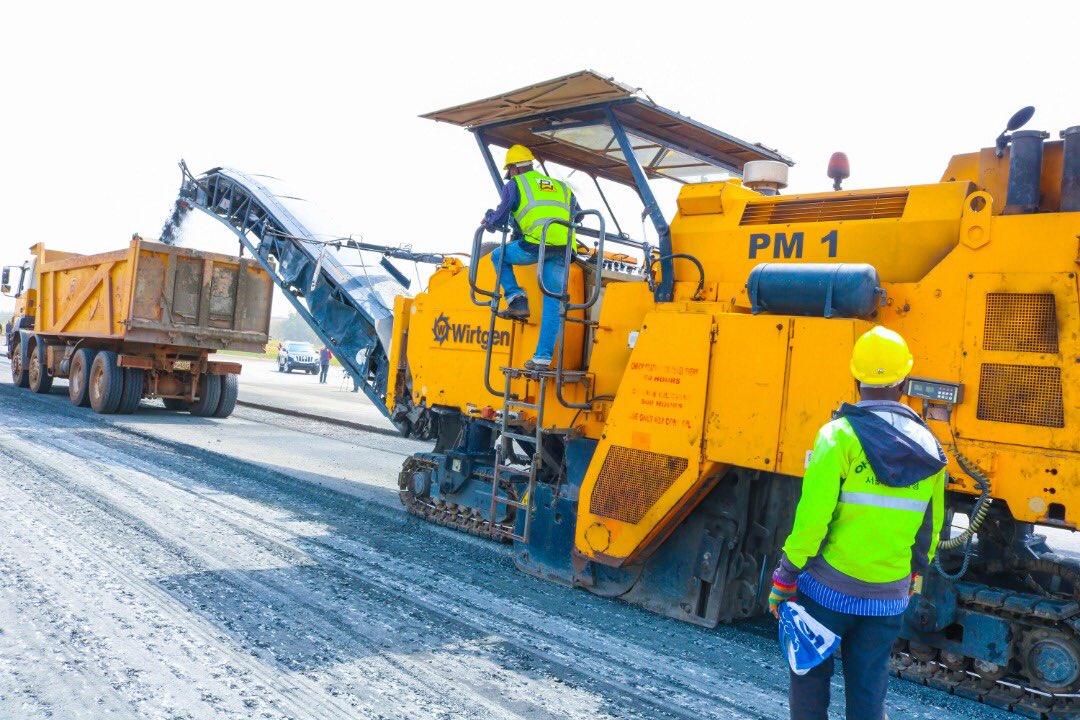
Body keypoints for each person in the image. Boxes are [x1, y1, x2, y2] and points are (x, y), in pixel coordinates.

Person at [769, 326, 947, 720]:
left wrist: (784, 578)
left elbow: (812, 521)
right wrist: (913, 578)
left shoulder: (837, 438)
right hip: (887, 597)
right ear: (904, 382)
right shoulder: (931, 448)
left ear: (855, 378)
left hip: (826, 591)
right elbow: (929, 530)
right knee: (868, 692)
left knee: (809, 679)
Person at [483, 144, 581, 372]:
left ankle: (517, 299)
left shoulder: (515, 184)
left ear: (514, 169)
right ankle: (541, 360)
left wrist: (488, 220)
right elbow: (577, 214)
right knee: (552, 302)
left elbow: (500, 216)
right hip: (564, 248)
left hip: (536, 244)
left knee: (498, 256)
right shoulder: (562, 187)